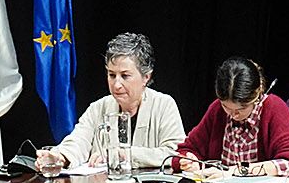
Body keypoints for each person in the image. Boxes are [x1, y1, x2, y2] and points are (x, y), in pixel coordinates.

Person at [40, 32, 184, 170]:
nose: (116, 84)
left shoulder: (164, 105)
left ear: (146, 77)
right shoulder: (98, 108)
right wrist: (60, 156)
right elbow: (78, 141)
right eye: (112, 75)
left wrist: (124, 154)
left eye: (125, 76)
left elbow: (175, 154)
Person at [169, 59, 289, 176]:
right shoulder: (217, 110)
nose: (233, 115)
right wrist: (188, 161)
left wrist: (236, 171)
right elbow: (185, 150)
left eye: (241, 109)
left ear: (256, 96)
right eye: (227, 107)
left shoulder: (273, 108)